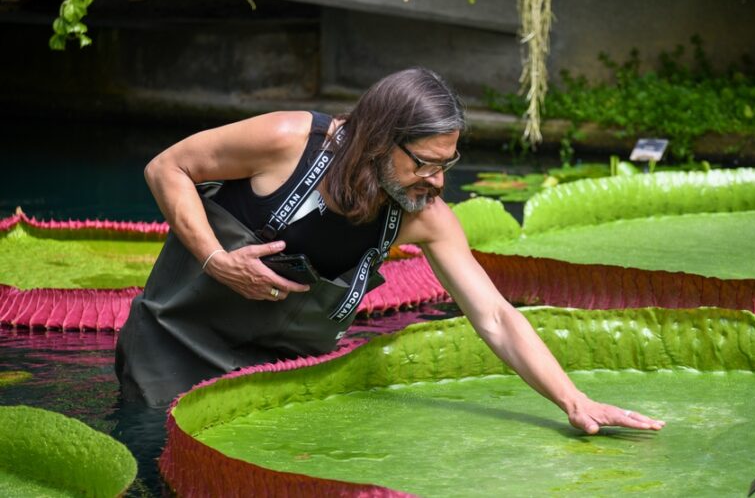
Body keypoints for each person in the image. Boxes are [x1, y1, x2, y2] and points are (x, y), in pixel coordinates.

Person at [115, 67, 665, 434]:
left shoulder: (425, 218)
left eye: (446, 164)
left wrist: (575, 401)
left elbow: (495, 316)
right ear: (378, 140)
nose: (438, 181)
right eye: (423, 162)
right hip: (173, 347)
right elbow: (167, 167)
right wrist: (215, 258)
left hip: (273, 374)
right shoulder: (288, 140)